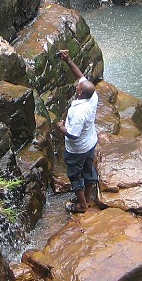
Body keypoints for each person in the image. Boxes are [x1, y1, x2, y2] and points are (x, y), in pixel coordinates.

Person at [55, 49, 99, 213]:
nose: (77, 85)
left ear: (80, 92)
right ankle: (87, 198)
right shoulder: (92, 96)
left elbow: (73, 134)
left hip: (77, 149)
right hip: (90, 144)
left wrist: (60, 127)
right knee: (88, 170)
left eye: (78, 87)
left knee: (75, 175)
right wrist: (68, 60)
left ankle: (81, 206)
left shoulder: (79, 112)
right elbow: (80, 76)